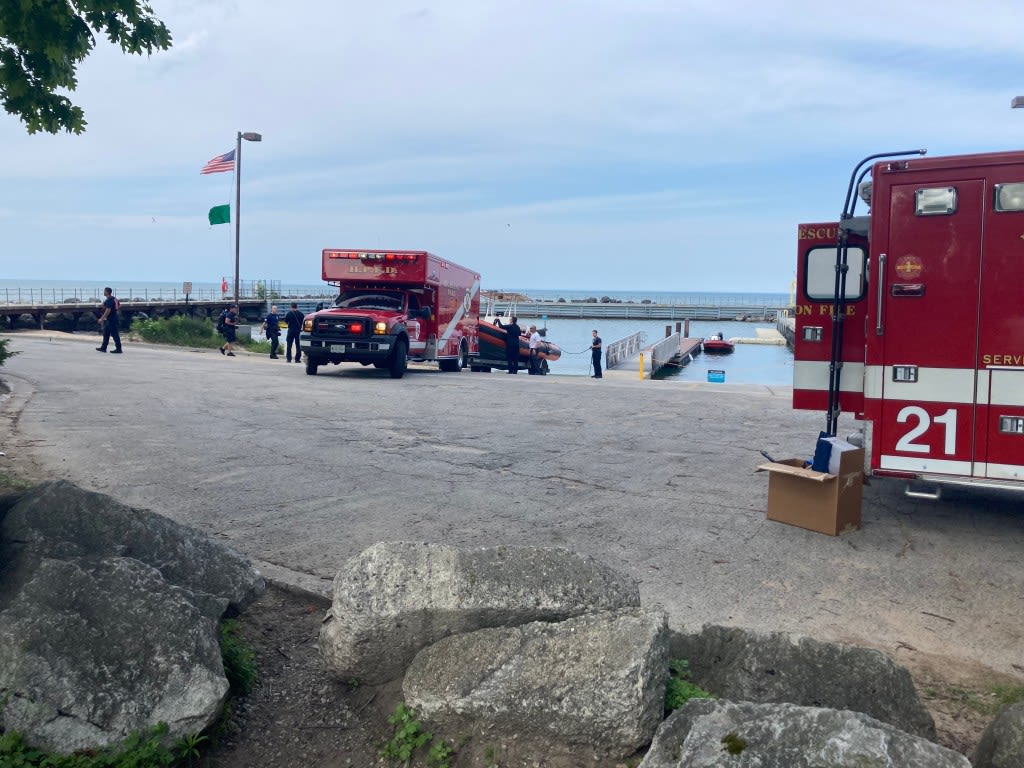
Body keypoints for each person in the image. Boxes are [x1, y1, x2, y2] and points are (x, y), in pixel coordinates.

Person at [95, 287, 122, 354]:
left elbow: (108, 310)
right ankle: (103, 347)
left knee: (115, 334)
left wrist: (102, 318)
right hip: (112, 318)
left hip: (111, 319)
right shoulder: (114, 299)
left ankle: (119, 349)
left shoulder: (109, 300)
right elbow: (118, 307)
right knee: (106, 333)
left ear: (107, 292)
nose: (103, 292)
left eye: (104, 291)